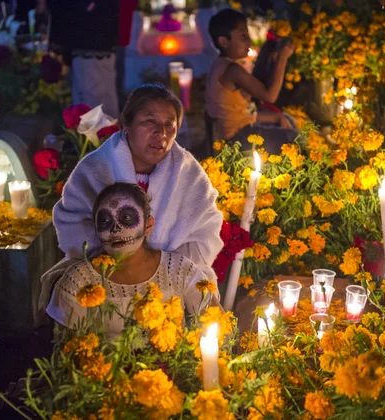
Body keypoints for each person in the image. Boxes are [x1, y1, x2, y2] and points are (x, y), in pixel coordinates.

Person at [39, 84, 223, 310]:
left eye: (169, 125)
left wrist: (161, 268)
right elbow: (72, 227)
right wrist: (122, 263)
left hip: (172, 279)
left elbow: (206, 234)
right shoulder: (95, 167)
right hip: (105, 273)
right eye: (149, 121)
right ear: (127, 124)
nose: (161, 133)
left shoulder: (190, 174)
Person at [46, 183, 217, 336]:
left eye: (126, 218)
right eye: (105, 221)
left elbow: (216, 325)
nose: (115, 229)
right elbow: (65, 354)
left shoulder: (178, 270)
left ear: (148, 225)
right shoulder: (79, 281)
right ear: (95, 228)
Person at [205, 8, 298, 154]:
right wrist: (282, 58)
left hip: (240, 129)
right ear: (223, 41)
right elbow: (270, 96)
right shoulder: (232, 70)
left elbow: (242, 113)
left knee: (286, 119)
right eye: (243, 36)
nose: (249, 41)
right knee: (292, 139)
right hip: (236, 139)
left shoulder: (221, 64)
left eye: (248, 35)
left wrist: (276, 117)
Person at [48, 0, 120, 118]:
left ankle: (100, 134)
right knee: (104, 97)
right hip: (99, 37)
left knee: (91, 99)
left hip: (89, 37)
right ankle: (106, 133)